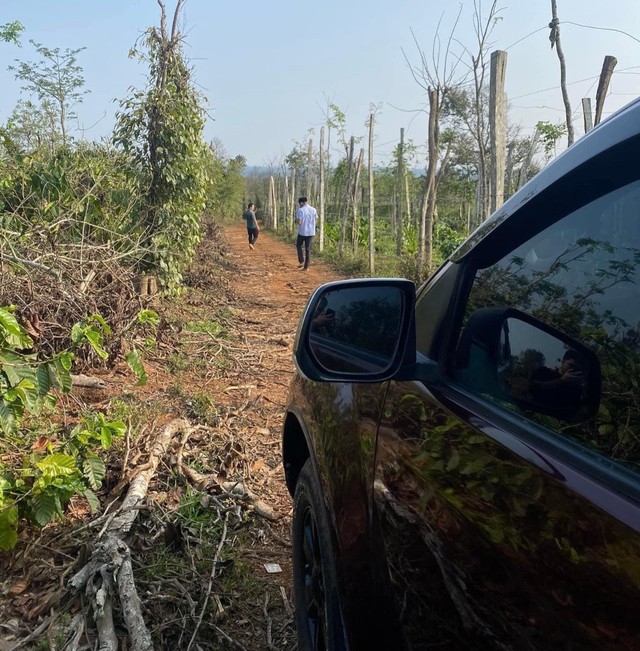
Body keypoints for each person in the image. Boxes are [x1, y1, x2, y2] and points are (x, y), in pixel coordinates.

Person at [295, 196, 317, 270]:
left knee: (298, 245)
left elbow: (299, 222)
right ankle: (306, 266)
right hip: (311, 232)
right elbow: (315, 220)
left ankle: (301, 261)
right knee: (308, 249)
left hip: (302, 232)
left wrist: (296, 221)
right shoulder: (313, 209)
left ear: (301, 202)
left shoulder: (300, 210)